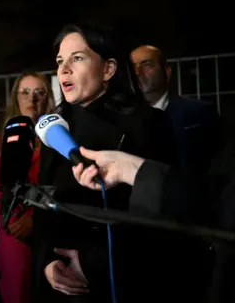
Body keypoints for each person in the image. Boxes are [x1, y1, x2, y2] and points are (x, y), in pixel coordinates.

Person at [31, 23, 180, 303]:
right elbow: (44, 207)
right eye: (60, 61)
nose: (64, 69)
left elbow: (159, 215)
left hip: (121, 280)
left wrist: (91, 263)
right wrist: (48, 262)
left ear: (109, 69)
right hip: (60, 287)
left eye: (77, 58)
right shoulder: (56, 128)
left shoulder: (148, 124)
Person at [0, 71, 55, 303]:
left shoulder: (57, 138)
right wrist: (13, 220)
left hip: (50, 227)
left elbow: (59, 185)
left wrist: (34, 219)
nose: (31, 99)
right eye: (24, 92)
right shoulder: (1, 140)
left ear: (48, 98)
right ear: (16, 98)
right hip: (12, 230)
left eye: (39, 93)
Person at [131, 45, 222, 174]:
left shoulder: (200, 113)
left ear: (167, 72)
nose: (137, 72)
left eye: (146, 64)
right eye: (133, 66)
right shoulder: (122, 119)